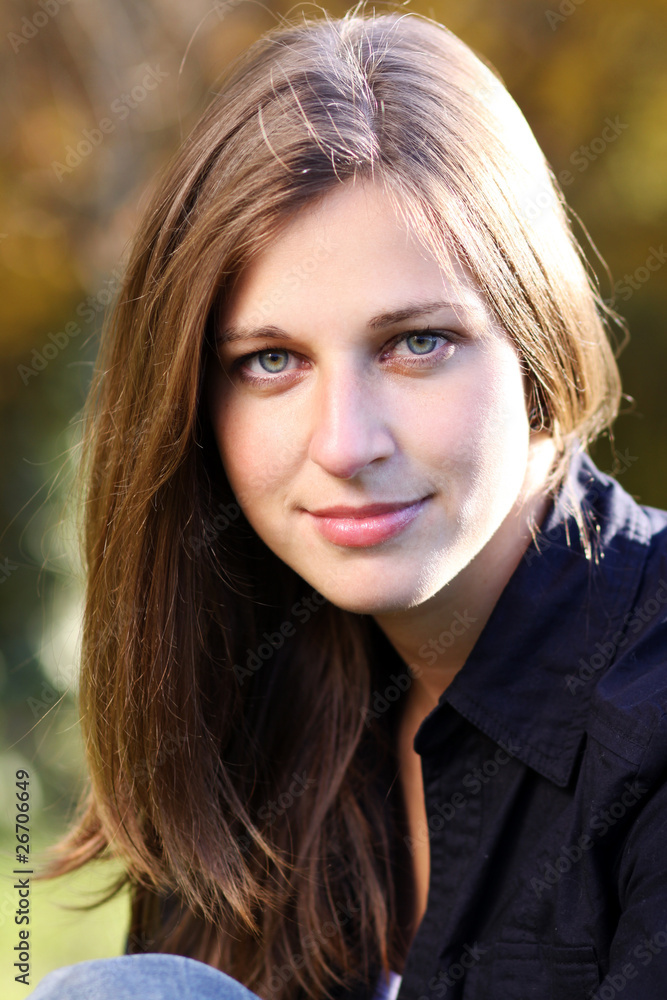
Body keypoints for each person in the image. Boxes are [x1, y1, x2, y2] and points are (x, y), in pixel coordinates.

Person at [29, 5, 667, 1000]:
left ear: (536, 339)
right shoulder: (249, 689)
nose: (342, 443)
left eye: (416, 343)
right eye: (270, 360)